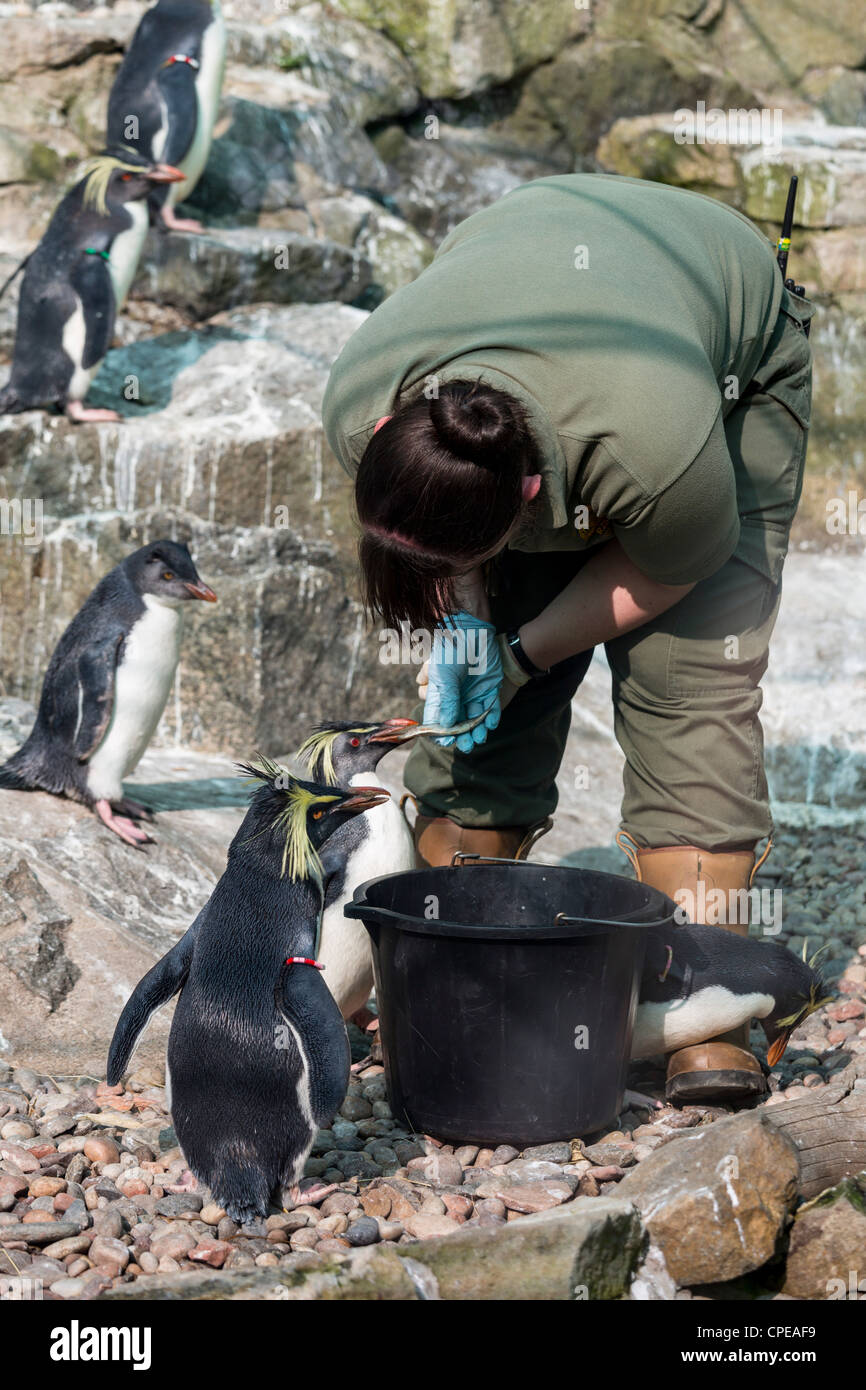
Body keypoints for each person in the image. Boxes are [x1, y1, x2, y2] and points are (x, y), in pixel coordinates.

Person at [322, 173, 813, 1103]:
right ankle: (439, 963)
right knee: (485, 703)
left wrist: (523, 653)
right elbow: (440, 540)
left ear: (533, 500)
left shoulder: (651, 448)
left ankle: (710, 1004)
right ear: (384, 431)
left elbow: (672, 570)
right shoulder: (361, 398)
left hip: (721, 356)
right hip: (547, 289)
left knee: (689, 683)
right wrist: (471, 630)